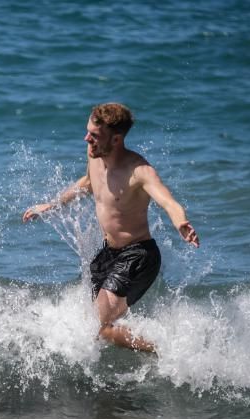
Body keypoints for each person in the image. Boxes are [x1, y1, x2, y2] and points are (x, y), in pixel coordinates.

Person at [23, 103, 199, 352]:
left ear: (116, 139)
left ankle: (171, 354)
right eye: (88, 132)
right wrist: (51, 205)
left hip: (138, 255)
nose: (87, 139)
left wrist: (181, 221)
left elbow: (167, 200)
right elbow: (87, 182)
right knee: (95, 325)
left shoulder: (139, 171)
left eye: (94, 136)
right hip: (108, 254)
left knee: (101, 326)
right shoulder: (94, 155)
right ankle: (152, 356)